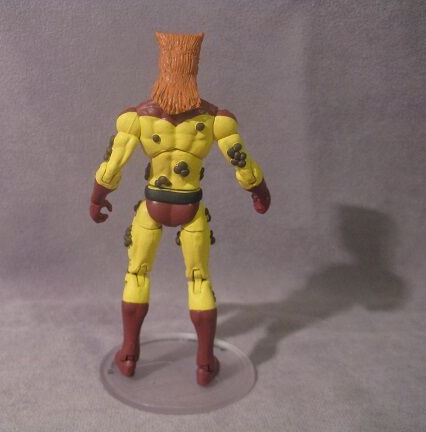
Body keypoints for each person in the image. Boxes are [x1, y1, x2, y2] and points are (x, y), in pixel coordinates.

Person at [90, 32, 271, 386]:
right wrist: (258, 191)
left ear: (163, 67)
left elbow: (113, 165)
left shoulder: (137, 118)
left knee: (137, 275)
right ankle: (204, 364)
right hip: (191, 206)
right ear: (195, 68)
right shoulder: (215, 120)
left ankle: (129, 354)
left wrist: (97, 197)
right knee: (199, 279)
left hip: (153, 204)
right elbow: (241, 160)